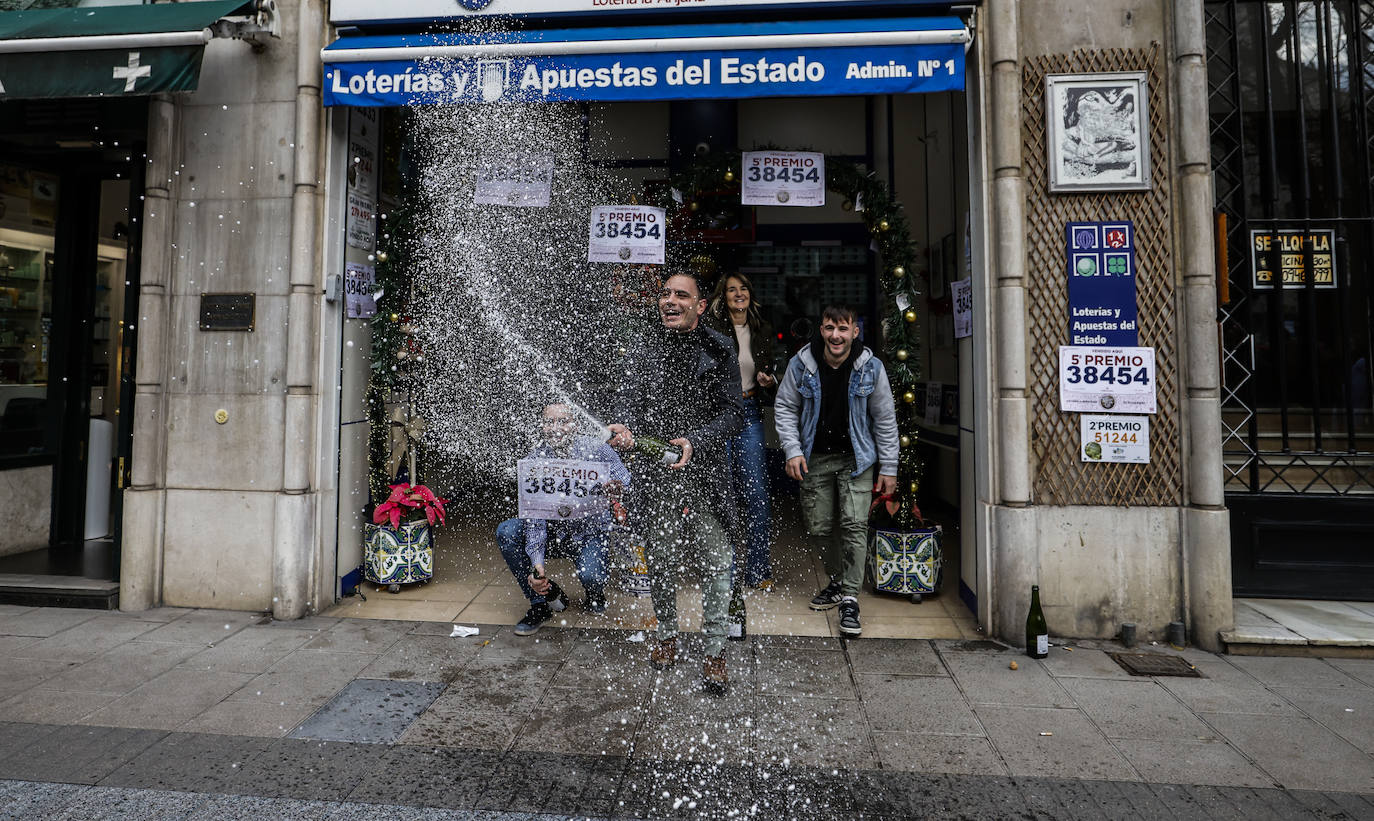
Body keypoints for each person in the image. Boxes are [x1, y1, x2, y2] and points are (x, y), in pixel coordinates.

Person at [606, 271, 743, 694]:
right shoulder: (644, 348)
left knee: (716, 564)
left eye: (681, 295)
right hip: (657, 473)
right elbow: (626, 402)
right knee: (661, 560)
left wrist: (695, 442)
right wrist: (623, 429)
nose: (670, 301)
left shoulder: (721, 349)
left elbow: (733, 414)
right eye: (665, 294)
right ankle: (666, 632)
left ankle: (715, 650)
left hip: (705, 475)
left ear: (700, 306)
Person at [773, 304, 899, 638]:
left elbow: (885, 420)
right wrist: (793, 450)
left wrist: (889, 467)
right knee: (818, 526)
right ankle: (839, 580)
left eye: (843, 329)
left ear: (855, 332)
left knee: (854, 525)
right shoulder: (802, 365)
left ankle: (849, 598)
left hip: (857, 460)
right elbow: (785, 407)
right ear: (821, 330)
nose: (836, 336)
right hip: (814, 458)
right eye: (829, 328)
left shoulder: (870, 368)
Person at [497, 402, 630, 636]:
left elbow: (625, 479)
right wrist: (537, 566)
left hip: (590, 533)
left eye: (563, 421)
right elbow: (534, 520)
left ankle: (595, 592)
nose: (555, 428)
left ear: (576, 425)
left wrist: (617, 489)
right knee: (507, 531)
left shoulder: (597, 448)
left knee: (591, 575)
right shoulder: (535, 461)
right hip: (553, 535)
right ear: (542, 426)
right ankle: (541, 603)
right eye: (549, 422)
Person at [704, 272, 779, 589]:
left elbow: (772, 378)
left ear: (751, 294)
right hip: (721, 415)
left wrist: (768, 381)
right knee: (723, 495)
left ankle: (758, 570)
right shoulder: (712, 330)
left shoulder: (762, 330)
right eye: (731, 290)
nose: (738, 294)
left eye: (743, 288)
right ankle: (726, 571)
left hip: (749, 412)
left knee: (757, 495)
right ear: (723, 297)